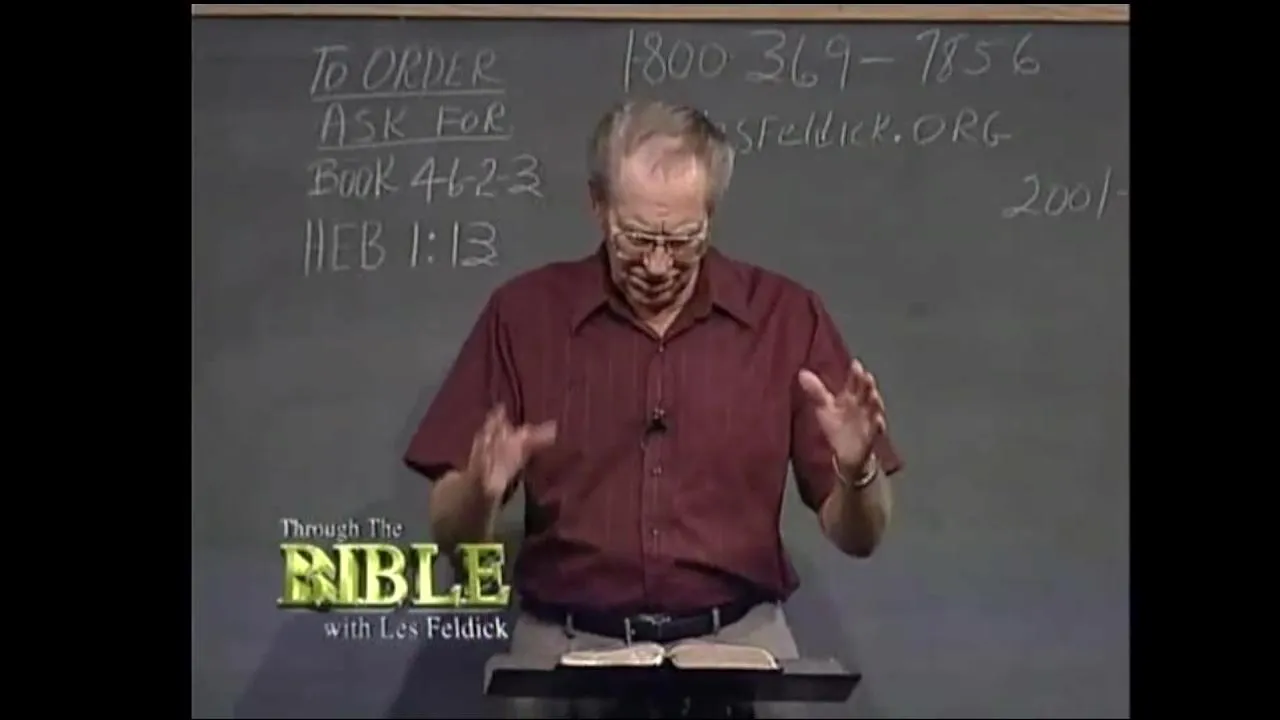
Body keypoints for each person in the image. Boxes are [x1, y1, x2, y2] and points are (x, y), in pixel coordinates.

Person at [404, 99, 903, 719]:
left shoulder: (786, 316)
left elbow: (860, 537)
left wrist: (857, 473)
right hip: (566, 646)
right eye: (637, 238)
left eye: (683, 239)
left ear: (711, 215)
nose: (659, 264)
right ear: (598, 206)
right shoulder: (525, 315)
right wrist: (479, 492)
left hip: (737, 645)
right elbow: (452, 536)